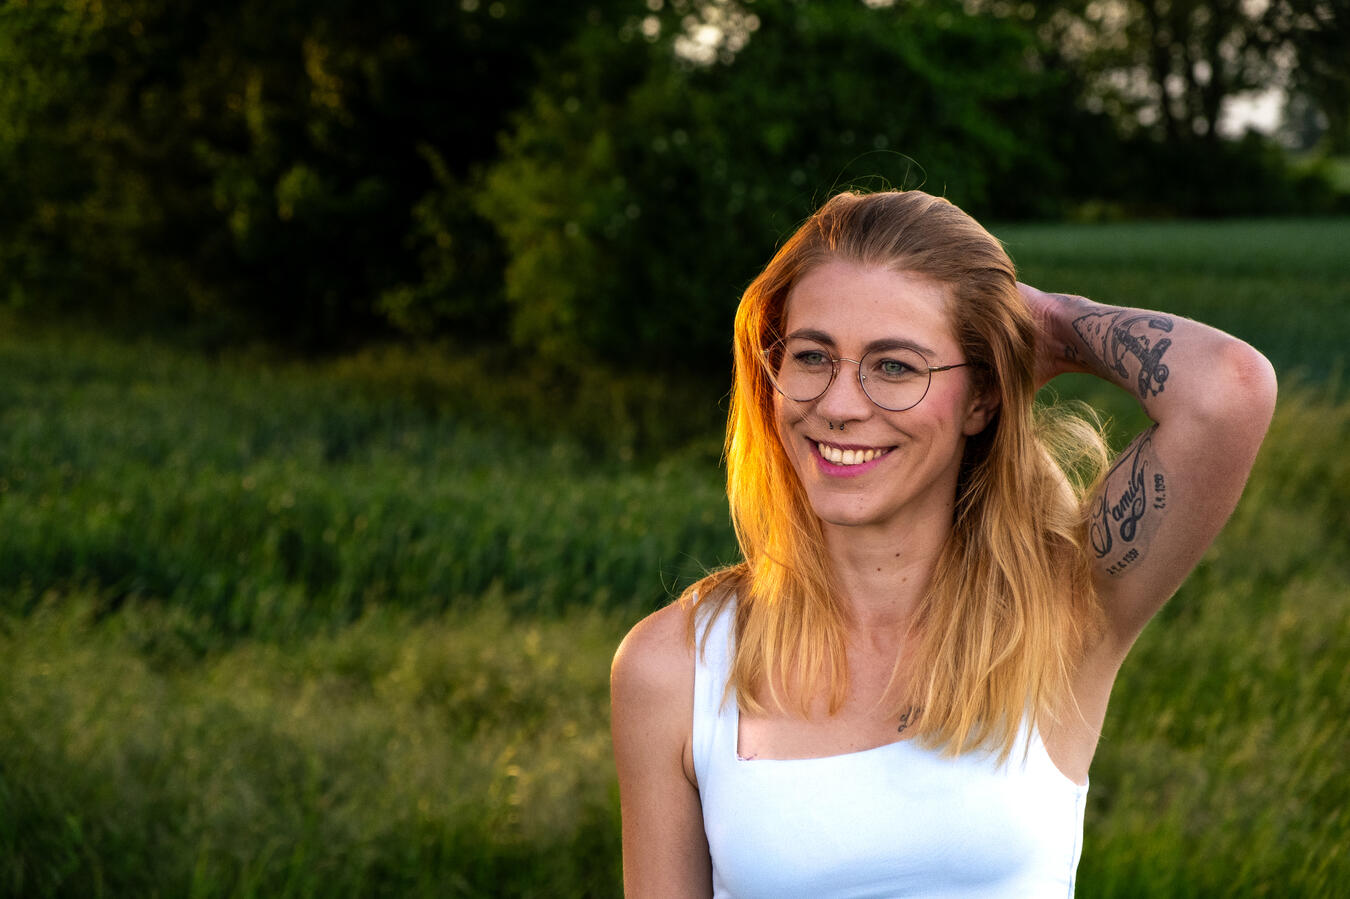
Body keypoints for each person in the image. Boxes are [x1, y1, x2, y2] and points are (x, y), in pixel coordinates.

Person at [609, 189, 1276, 897]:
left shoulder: (1063, 610)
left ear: (983, 397)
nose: (838, 404)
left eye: (895, 366)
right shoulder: (673, 669)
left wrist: (1045, 319)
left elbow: (1226, 389)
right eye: (812, 356)